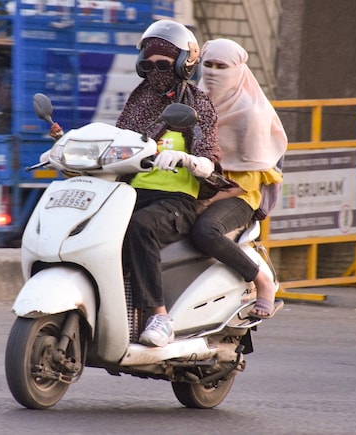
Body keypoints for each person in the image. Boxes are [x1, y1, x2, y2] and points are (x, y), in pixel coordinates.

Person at [115, 20, 220, 347]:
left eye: (163, 64)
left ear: (182, 63)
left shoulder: (197, 103)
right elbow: (118, 139)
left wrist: (188, 160)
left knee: (141, 228)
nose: (155, 71)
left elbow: (209, 158)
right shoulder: (139, 100)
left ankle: (160, 316)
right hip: (132, 193)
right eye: (148, 65)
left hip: (176, 200)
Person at [191, 38, 288, 319]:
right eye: (207, 64)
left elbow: (248, 181)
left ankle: (262, 281)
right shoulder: (193, 100)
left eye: (222, 66)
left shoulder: (251, 113)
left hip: (238, 194)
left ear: (238, 69)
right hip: (196, 187)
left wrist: (209, 200)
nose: (212, 71)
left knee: (205, 232)